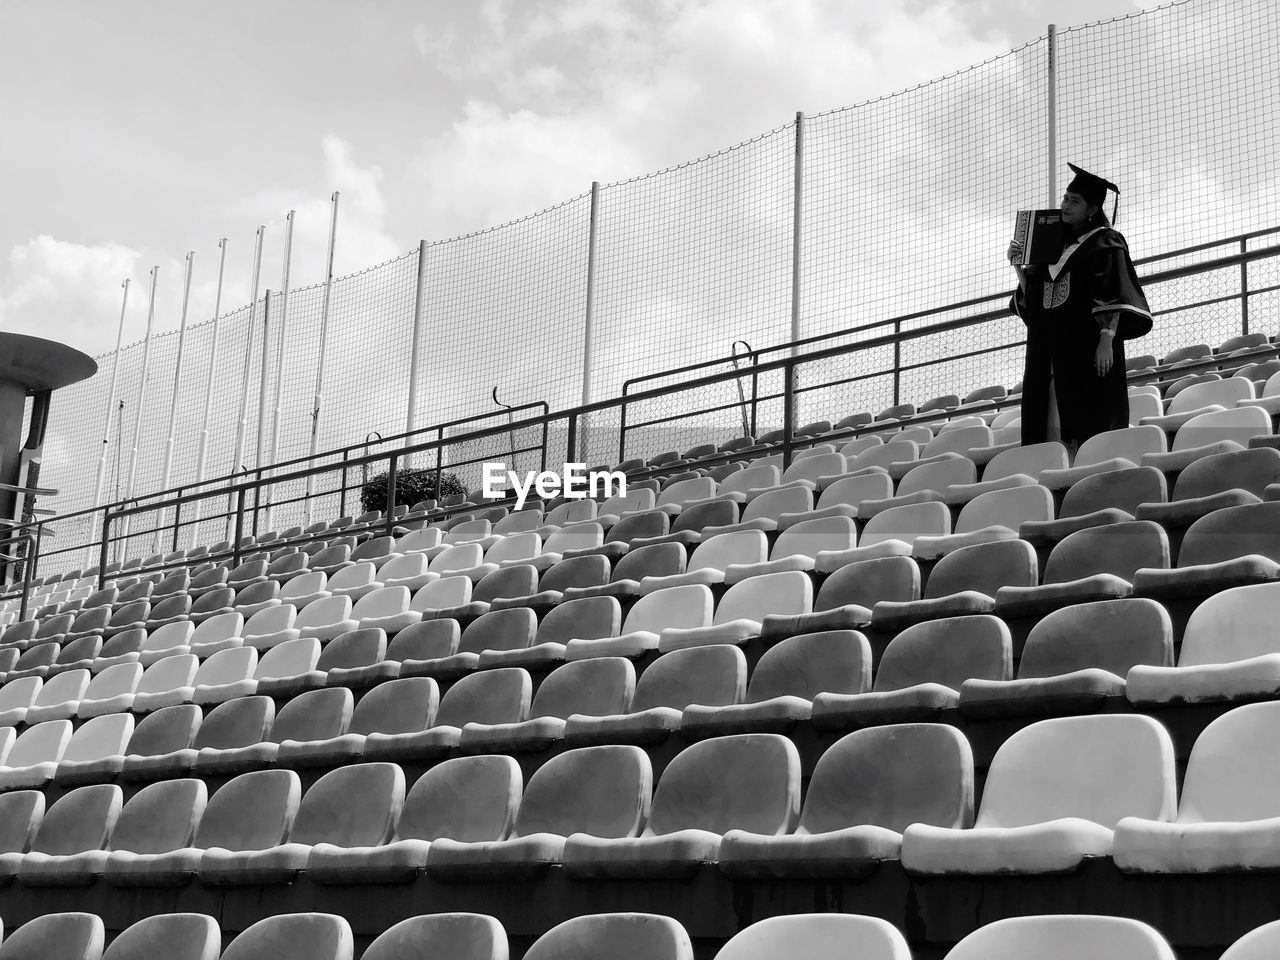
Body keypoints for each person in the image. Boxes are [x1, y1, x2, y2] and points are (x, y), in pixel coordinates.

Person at [1006, 164, 1153, 451]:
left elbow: (1112, 291)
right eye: (1065, 198)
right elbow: (1035, 303)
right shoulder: (1051, 249)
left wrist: (1106, 340)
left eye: (1074, 201)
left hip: (1085, 349)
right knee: (1046, 416)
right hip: (1048, 352)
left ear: (1091, 209)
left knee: (1087, 418)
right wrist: (1019, 268)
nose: (1065, 205)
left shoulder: (1105, 242)